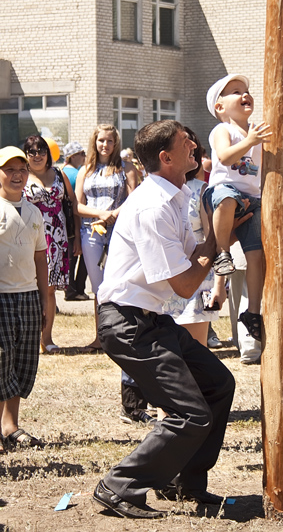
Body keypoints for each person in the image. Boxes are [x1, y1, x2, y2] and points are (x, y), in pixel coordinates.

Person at [93, 120, 235, 519]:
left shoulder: (174, 197)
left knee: (219, 384)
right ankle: (118, 485)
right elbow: (187, 283)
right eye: (186, 142)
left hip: (151, 322)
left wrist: (218, 234)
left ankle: (182, 483)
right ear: (165, 157)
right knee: (190, 414)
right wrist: (215, 239)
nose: (194, 146)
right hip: (129, 325)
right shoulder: (154, 206)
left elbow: (195, 258)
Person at [203, 74, 272, 341]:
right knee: (229, 197)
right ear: (220, 107)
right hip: (221, 193)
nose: (244, 94)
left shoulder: (256, 132)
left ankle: (253, 312)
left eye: (245, 90)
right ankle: (222, 253)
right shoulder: (224, 130)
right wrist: (250, 141)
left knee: (256, 257)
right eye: (234, 92)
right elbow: (224, 156)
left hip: (251, 198)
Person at [0, 147, 48, 451]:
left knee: (22, 362)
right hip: (2, 297)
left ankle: (11, 425)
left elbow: (40, 258)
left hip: (28, 295)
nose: (17, 175)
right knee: (0, 361)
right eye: (9, 170)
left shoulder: (34, 212)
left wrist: (43, 300)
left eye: (22, 170)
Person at [75, 124, 138, 352]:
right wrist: (100, 215)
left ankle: (123, 333)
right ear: (94, 142)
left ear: (116, 143)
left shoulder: (126, 167)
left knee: (120, 282)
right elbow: (77, 205)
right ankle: (101, 336)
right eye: (101, 140)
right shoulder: (86, 170)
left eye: (110, 141)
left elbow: (133, 199)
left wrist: (112, 215)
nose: (105, 145)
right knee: (98, 286)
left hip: (119, 231)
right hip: (91, 231)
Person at [162, 127, 226, 346]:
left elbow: (214, 240)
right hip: (166, 282)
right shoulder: (155, 191)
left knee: (197, 351)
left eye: (192, 148)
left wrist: (219, 284)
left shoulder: (202, 191)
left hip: (199, 280)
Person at [23, 135, 80, 354]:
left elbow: (72, 203)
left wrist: (75, 239)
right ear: (26, 155)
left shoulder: (59, 174)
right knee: (28, 289)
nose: (37, 155)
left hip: (57, 240)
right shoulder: (22, 176)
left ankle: (46, 339)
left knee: (49, 291)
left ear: (48, 153)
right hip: (29, 238)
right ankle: (28, 339)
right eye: (32, 152)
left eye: (41, 151)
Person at [62, 141, 89, 302]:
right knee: (81, 256)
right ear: (73, 156)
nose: (84, 157)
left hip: (65, 221)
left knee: (70, 256)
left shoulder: (63, 171)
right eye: (81, 154)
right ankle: (75, 289)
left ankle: (71, 289)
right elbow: (77, 202)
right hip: (76, 220)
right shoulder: (75, 174)